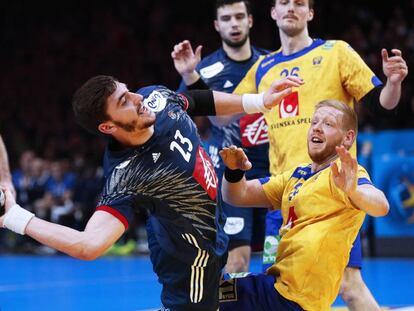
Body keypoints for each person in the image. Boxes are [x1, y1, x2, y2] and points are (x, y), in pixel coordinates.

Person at [0, 75, 301, 310]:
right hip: (191, 263)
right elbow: (88, 245)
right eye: (124, 101)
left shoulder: (154, 98)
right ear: (107, 126)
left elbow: (194, 101)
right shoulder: (129, 175)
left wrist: (258, 101)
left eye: (128, 90)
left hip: (204, 225)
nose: (137, 98)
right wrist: (14, 216)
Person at [231, 0, 408, 309]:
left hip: (331, 198)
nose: (291, 8)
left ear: (310, 13)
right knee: (279, 290)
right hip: (284, 196)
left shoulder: (336, 52)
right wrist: (192, 78)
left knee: (350, 285)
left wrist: (393, 84)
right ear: (272, 12)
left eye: (299, 3)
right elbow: (225, 112)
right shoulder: (262, 68)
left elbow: (382, 104)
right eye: (283, 2)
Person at [218, 100, 389, 311]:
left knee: (206, 293)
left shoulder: (343, 175)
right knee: (210, 289)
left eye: (328, 124)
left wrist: (353, 191)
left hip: (298, 298)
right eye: (314, 121)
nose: (317, 127)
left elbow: (381, 205)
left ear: (348, 138)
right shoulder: (296, 175)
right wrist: (234, 171)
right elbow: (237, 195)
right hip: (276, 288)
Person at [172, 0, 270, 273]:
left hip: (274, 174)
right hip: (231, 177)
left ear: (250, 20)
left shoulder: (270, 64)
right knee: (236, 260)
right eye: (226, 19)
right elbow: (182, 116)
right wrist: (190, 75)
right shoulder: (202, 72)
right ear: (217, 25)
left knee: (279, 260)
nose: (234, 23)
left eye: (239, 17)